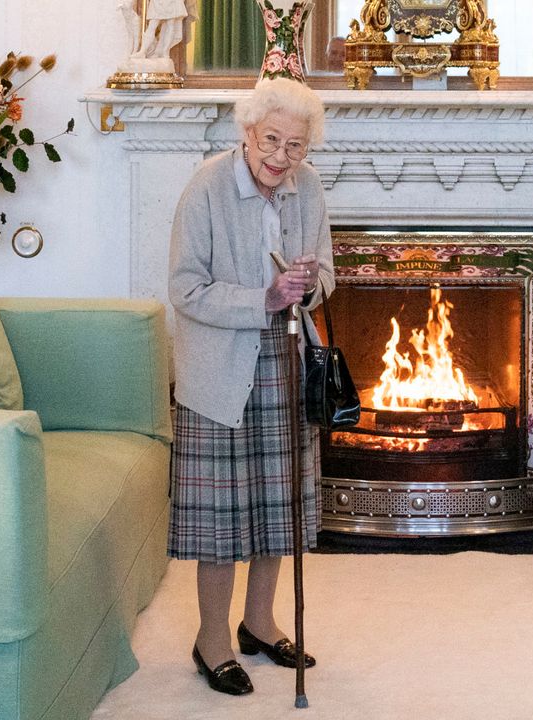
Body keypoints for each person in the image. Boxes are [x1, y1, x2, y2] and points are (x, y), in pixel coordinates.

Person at [167, 77, 332, 697]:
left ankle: (258, 624)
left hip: (287, 361)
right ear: (247, 132)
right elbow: (184, 288)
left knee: (276, 505)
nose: (281, 157)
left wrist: (309, 283)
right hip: (219, 369)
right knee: (222, 518)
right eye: (271, 141)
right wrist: (263, 298)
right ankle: (211, 640)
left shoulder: (307, 187)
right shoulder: (208, 186)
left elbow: (328, 272)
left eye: (295, 146)